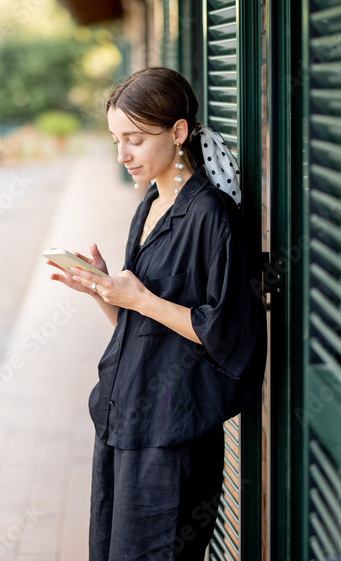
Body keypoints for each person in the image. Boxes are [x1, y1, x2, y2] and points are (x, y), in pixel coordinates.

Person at [46, 67, 267, 560]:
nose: (122, 155)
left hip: (173, 440)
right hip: (124, 423)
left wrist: (140, 299)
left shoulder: (212, 216)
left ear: (179, 132)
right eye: (115, 139)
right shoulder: (149, 205)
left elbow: (225, 335)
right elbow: (144, 330)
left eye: (135, 140)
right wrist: (105, 292)